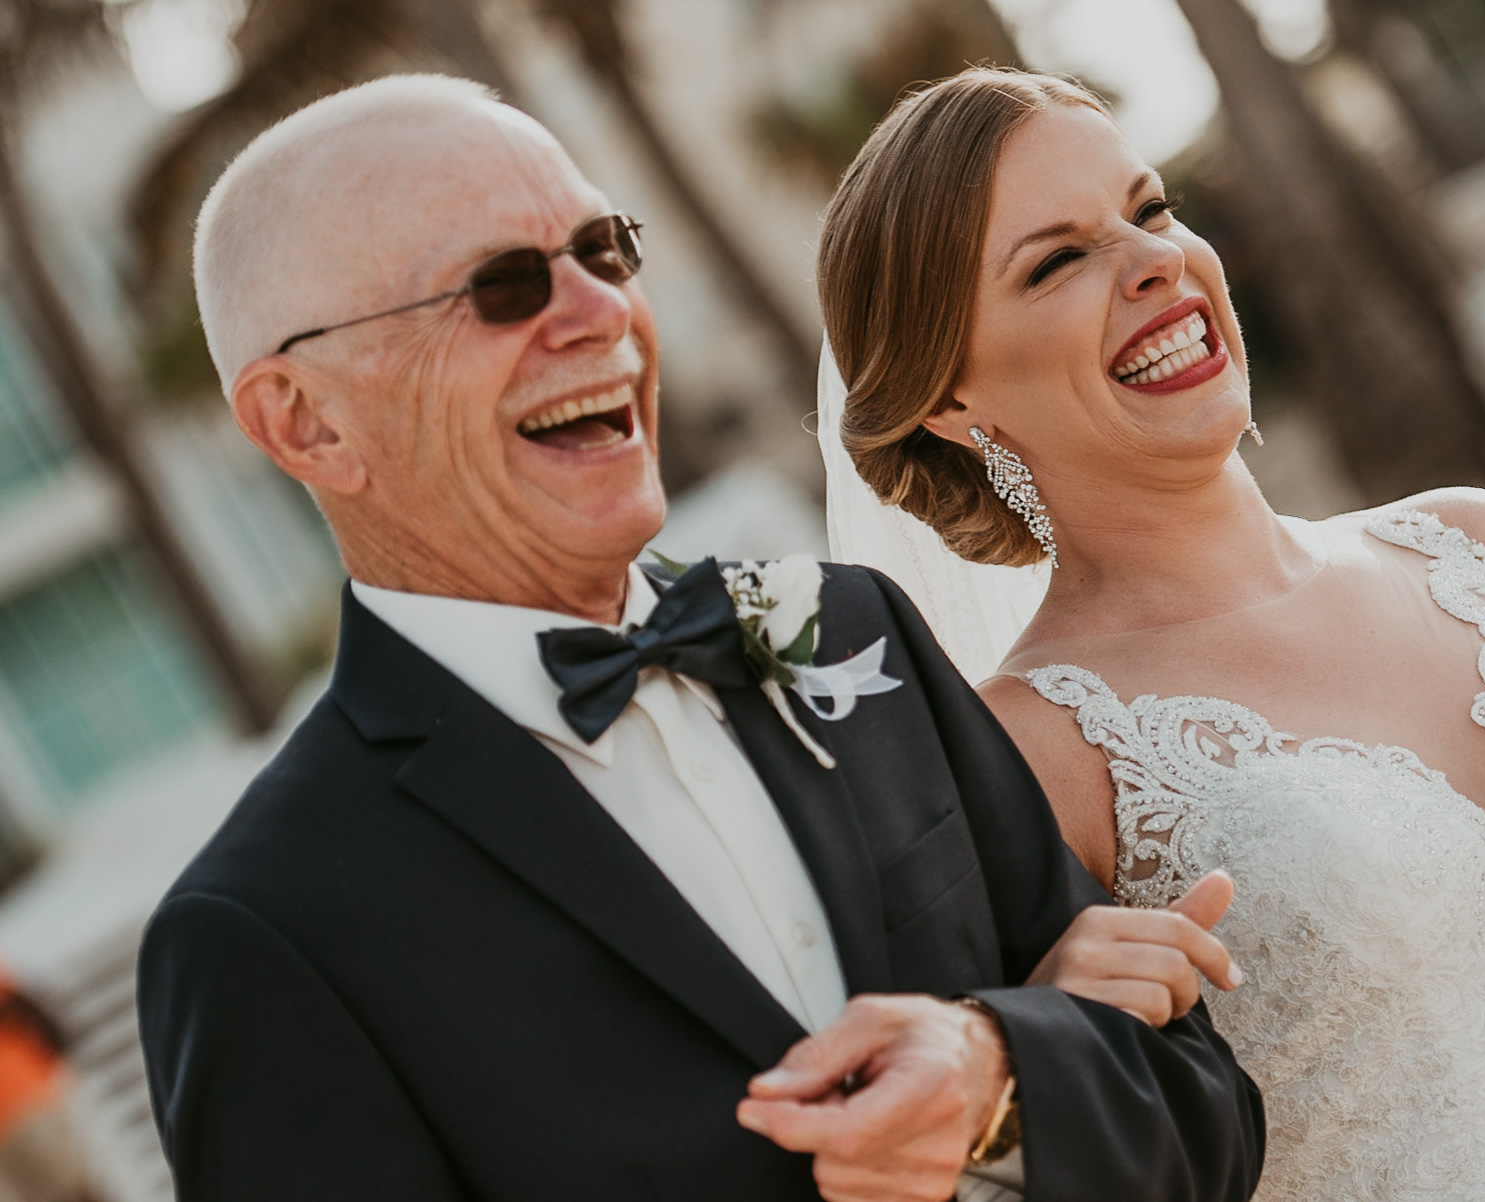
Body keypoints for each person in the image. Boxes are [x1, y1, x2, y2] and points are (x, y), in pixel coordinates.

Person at [134, 74, 1268, 1202]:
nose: (597, 312)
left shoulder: (848, 630)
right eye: (503, 285)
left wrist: (1002, 1081)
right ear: (306, 419)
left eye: (603, 249)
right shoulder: (265, 931)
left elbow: (1205, 1110)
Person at [816, 66, 1485, 1200]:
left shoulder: (1481, 541)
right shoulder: (1029, 750)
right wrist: (1043, 1045)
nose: (1152, 262)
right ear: (948, 397)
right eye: (1056, 261)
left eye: (1150, 209)